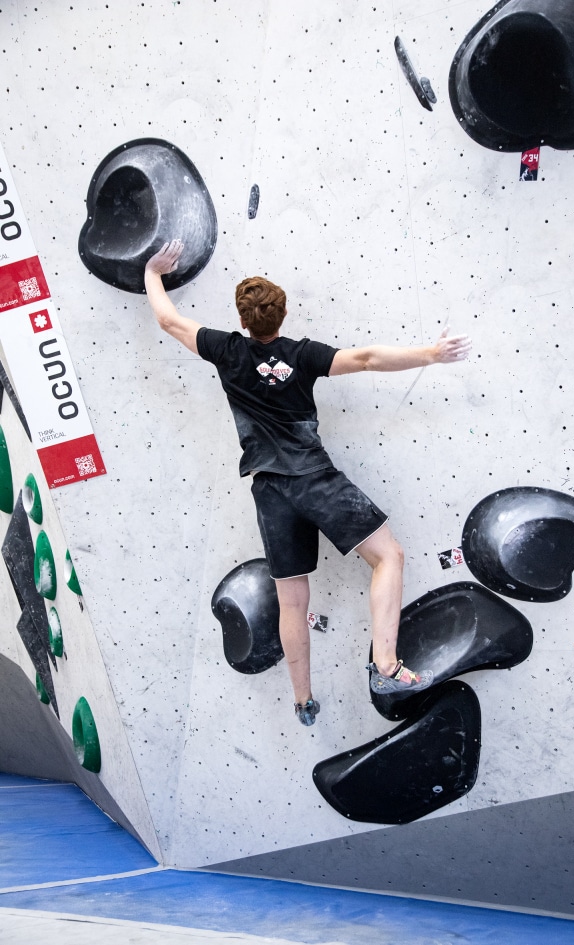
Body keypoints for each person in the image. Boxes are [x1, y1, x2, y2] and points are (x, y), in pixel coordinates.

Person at [144, 239, 472, 726]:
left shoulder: (226, 350)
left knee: (292, 601)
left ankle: (303, 701)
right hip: (314, 479)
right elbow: (367, 359)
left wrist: (153, 273)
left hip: (269, 491)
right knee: (389, 556)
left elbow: (169, 320)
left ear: (243, 320)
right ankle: (386, 666)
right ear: (283, 315)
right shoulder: (302, 355)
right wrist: (431, 354)